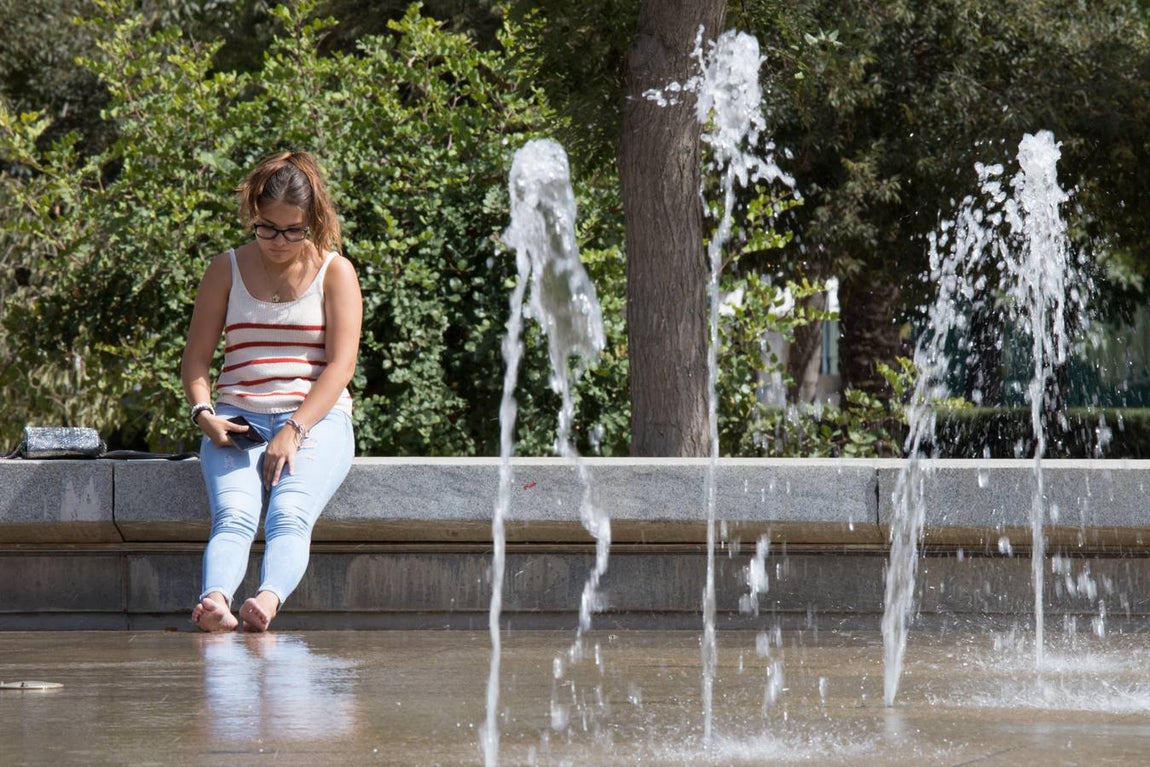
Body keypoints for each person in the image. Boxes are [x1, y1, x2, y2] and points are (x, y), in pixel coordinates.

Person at [182, 150, 362, 632]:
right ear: (253, 217)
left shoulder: (335, 271)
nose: (279, 241)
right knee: (234, 515)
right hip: (237, 416)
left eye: (293, 230)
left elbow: (342, 366)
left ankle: (266, 600)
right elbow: (196, 358)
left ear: (312, 221)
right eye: (267, 229)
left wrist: (294, 430)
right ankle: (215, 602)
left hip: (315, 418)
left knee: (289, 513)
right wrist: (204, 413)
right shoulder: (226, 268)